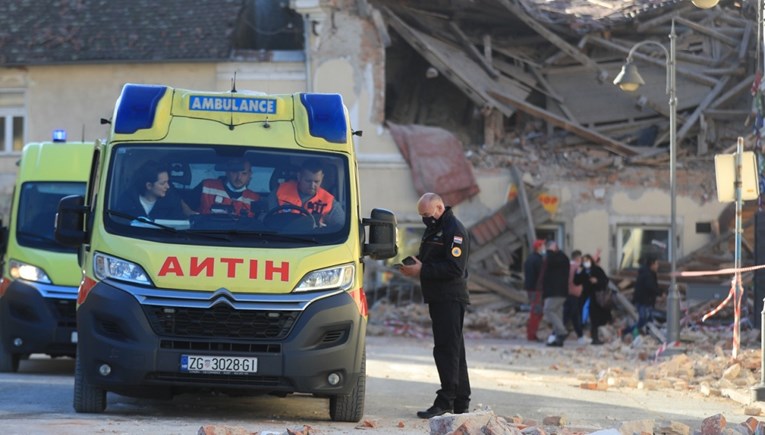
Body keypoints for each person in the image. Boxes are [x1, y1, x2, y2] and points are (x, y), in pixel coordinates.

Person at [399, 192, 471, 419]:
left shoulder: (454, 231)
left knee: (446, 350)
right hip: (438, 296)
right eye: (422, 216)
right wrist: (416, 263)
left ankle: (446, 400)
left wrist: (423, 270)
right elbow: (430, 258)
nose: (425, 220)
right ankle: (461, 401)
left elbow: (454, 268)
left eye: (427, 215)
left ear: (439, 208)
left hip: (450, 297)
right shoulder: (435, 228)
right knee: (454, 350)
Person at [270, 158, 344, 227]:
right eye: (308, 181)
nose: (312, 185)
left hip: (314, 239)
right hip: (282, 237)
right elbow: (268, 220)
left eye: (316, 181)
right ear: (299, 177)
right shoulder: (279, 192)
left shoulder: (329, 201)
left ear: (322, 178)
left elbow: (343, 227)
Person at [116, 161, 187, 220]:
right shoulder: (127, 201)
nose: (168, 186)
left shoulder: (172, 202)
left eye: (167, 182)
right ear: (149, 186)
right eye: (162, 183)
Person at [192, 158, 263, 217]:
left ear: (250, 175)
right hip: (203, 233)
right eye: (234, 172)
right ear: (227, 172)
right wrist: (196, 220)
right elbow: (183, 204)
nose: (239, 178)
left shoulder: (255, 199)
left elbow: (259, 224)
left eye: (244, 173)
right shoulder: (206, 186)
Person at [574, 253, 612, 345]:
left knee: (595, 318)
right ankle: (589, 335)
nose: (586, 263)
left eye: (587, 260)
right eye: (584, 261)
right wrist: (578, 273)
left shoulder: (597, 270)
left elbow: (605, 281)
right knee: (585, 316)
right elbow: (576, 282)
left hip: (596, 297)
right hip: (586, 296)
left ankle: (595, 337)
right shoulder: (583, 271)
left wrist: (597, 281)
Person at [622, 255, 661, 339]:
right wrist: (660, 293)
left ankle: (648, 335)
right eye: (656, 264)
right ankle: (626, 331)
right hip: (644, 301)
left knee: (649, 320)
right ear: (652, 264)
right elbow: (650, 287)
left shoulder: (648, 273)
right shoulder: (647, 275)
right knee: (643, 321)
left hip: (646, 301)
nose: (658, 266)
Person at [541, 240, 570, 347]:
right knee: (557, 314)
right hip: (559, 291)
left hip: (555, 291)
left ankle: (562, 332)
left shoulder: (555, 258)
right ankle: (558, 340)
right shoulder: (562, 258)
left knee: (548, 310)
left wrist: (549, 251)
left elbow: (550, 261)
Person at [523, 239, 546, 342]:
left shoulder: (529, 259)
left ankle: (531, 333)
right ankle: (532, 335)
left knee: (535, 311)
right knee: (536, 312)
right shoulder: (539, 260)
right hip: (537, 290)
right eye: (543, 246)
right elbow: (542, 276)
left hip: (530, 288)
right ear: (539, 247)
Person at [564, 249, 587, 344]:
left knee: (573, 315)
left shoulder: (566, 266)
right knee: (570, 315)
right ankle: (557, 334)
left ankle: (580, 336)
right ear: (578, 258)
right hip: (575, 293)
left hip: (567, 293)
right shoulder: (577, 267)